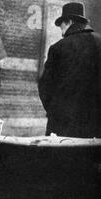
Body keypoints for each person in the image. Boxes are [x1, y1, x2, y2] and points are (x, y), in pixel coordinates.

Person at [38, 2, 101, 138]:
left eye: (61, 26)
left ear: (69, 22)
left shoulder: (58, 48)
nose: (61, 32)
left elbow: (45, 86)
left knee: (63, 159)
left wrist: (55, 112)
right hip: (96, 128)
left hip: (64, 128)